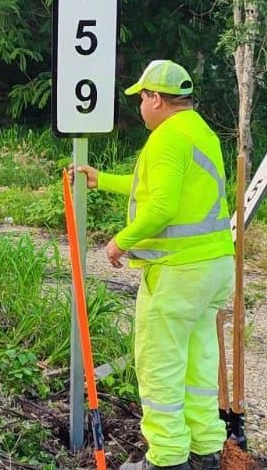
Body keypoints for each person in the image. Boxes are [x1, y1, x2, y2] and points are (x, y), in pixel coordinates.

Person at [72, 60, 235, 470]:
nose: (140, 107)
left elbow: (161, 205)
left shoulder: (166, 138)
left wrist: (121, 241)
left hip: (178, 272)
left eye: (142, 98)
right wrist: (102, 179)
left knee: (159, 363)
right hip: (214, 267)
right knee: (199, 363)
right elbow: (156, 187)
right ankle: (205, 450)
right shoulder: (200, 131)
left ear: (156, 99)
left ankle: (166, 458)